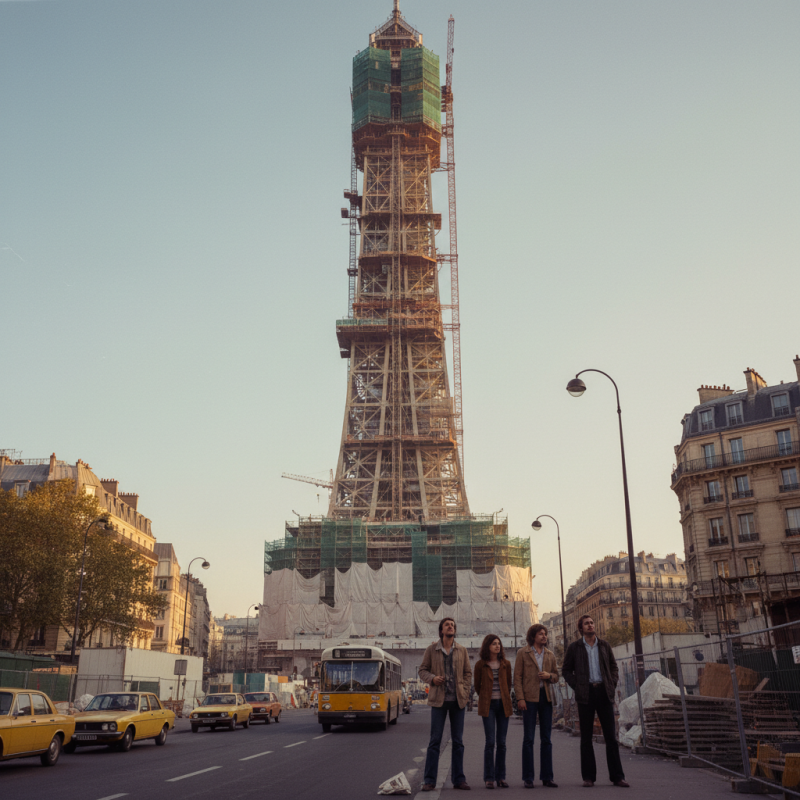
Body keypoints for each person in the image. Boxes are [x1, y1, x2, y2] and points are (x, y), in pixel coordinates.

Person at [561, 614, 629, 788]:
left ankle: (617, 777)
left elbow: (613, 667)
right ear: (581, 628)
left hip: (604, 693)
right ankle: (588, 777)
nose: (591, 625)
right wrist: (578, 685)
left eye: (592, 622)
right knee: (586, 738)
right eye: (586, 623)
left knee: (611, 737)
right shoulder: (574, 648)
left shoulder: (604, 645)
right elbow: (566, 670)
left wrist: (612, 684)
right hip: (585, 694)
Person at [419, 617, 473, 791]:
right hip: (438, 701)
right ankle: (429, 780)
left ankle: (459, 779)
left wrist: (464, 691)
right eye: (447, 625)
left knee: (458, 741)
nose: (450, 627)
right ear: (441, 630)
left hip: (458, 701)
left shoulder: (462, 650)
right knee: (435, 741)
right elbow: (422, 670)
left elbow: (467, 673)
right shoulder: (431, 650)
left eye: (452, 625)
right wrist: (433, 679)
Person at [514, 624, 559, 789]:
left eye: (545, 634)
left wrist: (549, 676)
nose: (544, 636)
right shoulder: (523, 653)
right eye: (541, 634)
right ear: (533, 636)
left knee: (546, 738)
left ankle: (547, 777)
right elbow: (517, 678)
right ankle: (528, 777)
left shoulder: (550, 655)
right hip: (529, 698)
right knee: (528, 739)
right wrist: (520, 698)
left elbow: (556, 675)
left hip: (546, 698)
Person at [474, 634, 513, 789]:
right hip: (488, 705)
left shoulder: (506, 664)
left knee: (502, 743)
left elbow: (508, 685)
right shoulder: (480, 665)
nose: (497, 646)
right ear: (487, 646)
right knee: (490, 742)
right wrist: (485, 697)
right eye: (494, 644)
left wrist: (502, 696)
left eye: (499, 643)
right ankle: (489, 778)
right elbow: (477, 686)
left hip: (503, 705)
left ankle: (501, 777)